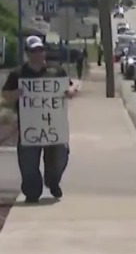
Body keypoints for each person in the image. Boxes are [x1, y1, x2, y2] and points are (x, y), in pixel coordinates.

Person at [1, 36, 80, 203]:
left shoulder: (56, 71)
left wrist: (71, 91)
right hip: (29, 128)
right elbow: (6, 95)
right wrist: (16, 94)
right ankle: (32, 190)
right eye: (33, 51)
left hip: (54, 127)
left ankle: (52, 182)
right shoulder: (18, 74)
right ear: (27, 53)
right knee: (28, 165)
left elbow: (72, 85)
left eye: (40, 50)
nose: (37, 54)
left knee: (60, 156)